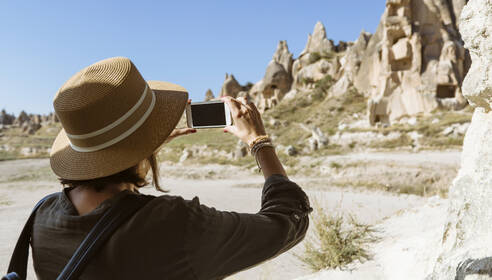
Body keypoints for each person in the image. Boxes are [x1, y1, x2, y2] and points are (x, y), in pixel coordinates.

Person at [31, 56, 312, 279]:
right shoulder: (172, 223)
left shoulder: (42, 217)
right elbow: (286, 222)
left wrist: (140, 146)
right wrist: (258, 141)